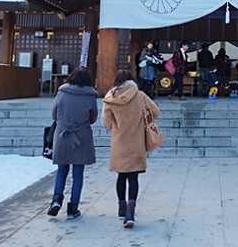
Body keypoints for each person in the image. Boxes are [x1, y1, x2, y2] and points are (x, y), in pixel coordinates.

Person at [103, 69, 160, 228]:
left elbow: (107, 122)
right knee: (133, 177)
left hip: (119, 141)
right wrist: (143, 120)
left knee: (121, 176)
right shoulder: (139, 95)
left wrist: (117, 125)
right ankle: (130, 212)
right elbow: (155, 111)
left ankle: (121, 208)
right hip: (136, 141)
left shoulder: (111, 97)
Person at [47, 67, 98, 220]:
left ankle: (56, 200)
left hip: (63, 134)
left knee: (62, 171)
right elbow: (93, 118)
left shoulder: (62, 92)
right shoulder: (90, 95)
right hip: (81, 136)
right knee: (78, 174)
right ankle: (73, 208)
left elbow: (54, 114)